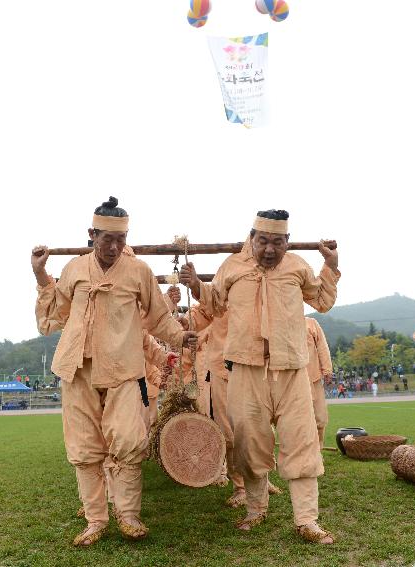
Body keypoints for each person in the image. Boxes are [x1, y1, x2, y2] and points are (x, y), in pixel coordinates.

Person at [33, 197, 196, 546]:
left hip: (124, 371)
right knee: (84, 447)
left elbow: (157, 318)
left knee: (129, 441)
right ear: (92, 234)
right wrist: (39, 275)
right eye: (107, 238)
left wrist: (181, 337)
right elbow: (55, 314)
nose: (114, 246)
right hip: (77, 370)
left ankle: (129, 515)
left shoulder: (139, 272)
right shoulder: (75, 269)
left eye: (121, 239)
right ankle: (95, 519)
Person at [180, 209, 339, 544]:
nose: (269, 249)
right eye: (263, 241)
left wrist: (331, 265)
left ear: (287, 242)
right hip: (245, 370)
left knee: (302, 441)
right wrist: (196, 284)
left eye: (277, 243)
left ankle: (306, 520)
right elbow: (213, 303)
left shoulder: (298, 266)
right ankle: (255, 509)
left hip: (291, 370)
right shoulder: (232, 268)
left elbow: (322, 300)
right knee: (249, 442)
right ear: (251, 239)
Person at [305, 317, 332, 449]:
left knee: (320, 418)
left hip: (313, 378)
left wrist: (327, 369)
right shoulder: (277, 322)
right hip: (289, 382)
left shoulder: (311, 323)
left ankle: (317, 450)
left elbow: (322, 346)